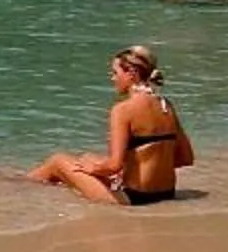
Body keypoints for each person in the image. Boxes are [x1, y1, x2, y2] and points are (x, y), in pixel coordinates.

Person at [28, 45, 194, 205]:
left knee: (58, 161)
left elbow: (114, 166)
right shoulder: (166, 106)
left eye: (115, 73)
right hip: (166, 193)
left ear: (132, 73)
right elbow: (186, 158)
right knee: (88, 157)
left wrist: (92, 169)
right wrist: (142, 168)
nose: (112, 78)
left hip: (134, 198)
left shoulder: (123, 110)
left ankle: (20, 187)